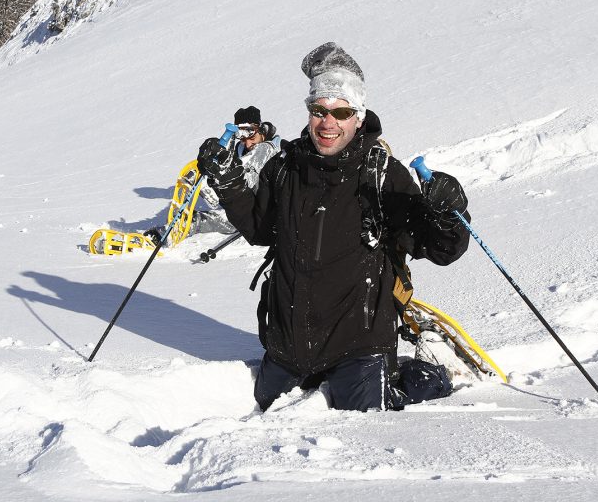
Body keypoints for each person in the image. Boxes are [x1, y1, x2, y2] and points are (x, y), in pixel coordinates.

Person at [196, 42, 472, 412]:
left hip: (358, 347)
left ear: (358, 116)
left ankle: (431, 374)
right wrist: (228, 184)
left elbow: (441, 249)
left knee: (366, 422)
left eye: (340, 112)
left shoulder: (382, 175)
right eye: (318, 110)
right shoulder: (285, 168)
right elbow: (261, 230)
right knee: (264, 409)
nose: (328, 123)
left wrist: (447, 212)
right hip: (288, 347)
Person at [144, 106, 281, 245]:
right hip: (245, 204)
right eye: (241, 137)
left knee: (230, 217)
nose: (248, 143)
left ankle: (196, 209)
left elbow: (246, 176)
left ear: (261, 129)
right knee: (227, 216)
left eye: (251, 135)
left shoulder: (270, 149)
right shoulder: (241, 148)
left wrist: (214, 183)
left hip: (267, 210)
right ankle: (168, 232)